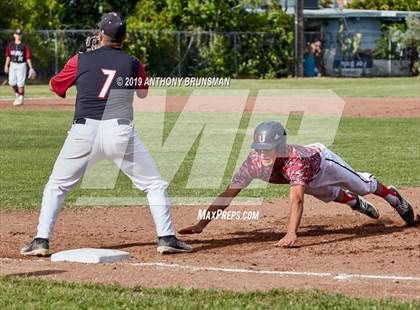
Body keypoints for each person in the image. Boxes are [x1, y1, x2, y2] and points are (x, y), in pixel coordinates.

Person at [21, 12, 192, 256]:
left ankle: (40, 240)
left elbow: (55, 86)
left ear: (101, 34)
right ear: (125, 37)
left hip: (83, 132)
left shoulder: (79, 59)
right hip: (119, 132)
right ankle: (165, 237)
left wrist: (85, 62)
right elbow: (142, 93)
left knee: (56, 186)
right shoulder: (133, 63)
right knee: (154, 184)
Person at [179, 121, 415, 247]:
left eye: (267, 149)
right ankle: (355, 203)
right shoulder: (253, 163)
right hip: (305, 179)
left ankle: (392, 196)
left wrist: (292, 232)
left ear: (281, 146)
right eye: (258, 149)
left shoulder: (296, 162)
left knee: (363, 185)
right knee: (331, 195)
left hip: (324, 163)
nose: (262, 154)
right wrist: (202, 225)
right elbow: (227, 195)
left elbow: (297, 199)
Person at [3, 28, 36, 106]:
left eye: (19, 34)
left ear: (21, 35)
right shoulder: (10, 45)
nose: (18, 36)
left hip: (21, 64)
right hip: (12, 64)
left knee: (20, 83)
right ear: (14, 35)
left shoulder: (24, 46)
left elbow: (28, 57)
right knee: (11, 82)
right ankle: (18, 94)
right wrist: (6, 66)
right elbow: (8, 56)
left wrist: (31, 68)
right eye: (17, 34)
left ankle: (21, 98)